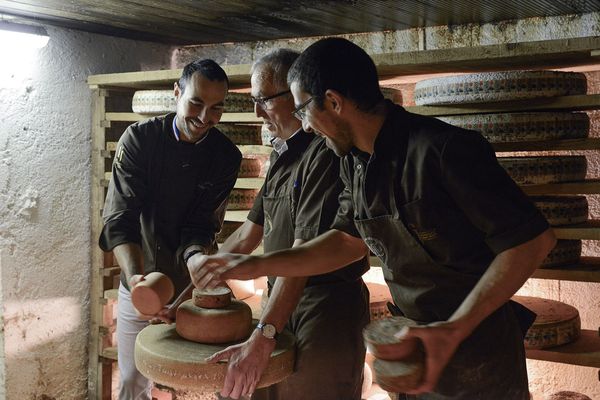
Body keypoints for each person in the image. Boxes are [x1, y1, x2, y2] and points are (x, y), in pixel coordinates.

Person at [189, 38, 557, 400]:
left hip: (478, 348)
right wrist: (250, 264)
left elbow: (532, 242)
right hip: (413, 344)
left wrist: (453, 329)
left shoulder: (443, 150)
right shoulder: (354, 162)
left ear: (333, 102)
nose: (304, 125)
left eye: (303, 110)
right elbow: (345, 242)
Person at [188, 48, 370, 400]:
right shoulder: (282, 156)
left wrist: (264, 335)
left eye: (264, 100)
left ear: (296, 93)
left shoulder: (324, 153)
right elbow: (247, 234)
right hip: (280, 301)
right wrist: (195, 287)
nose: (257, 112)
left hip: (323, 308)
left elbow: (303, 258)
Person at [99, 59, 242, 400]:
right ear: (176, 92)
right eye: (196, 102)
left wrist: (195, 265)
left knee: (200, 383)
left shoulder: (225, 156)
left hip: (190, 289)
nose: (205, 117)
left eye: (216, 108)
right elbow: (121, 217)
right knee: (133, 381)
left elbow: (201, 225)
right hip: (139, 279)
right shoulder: (140, 140)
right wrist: (138, 282)